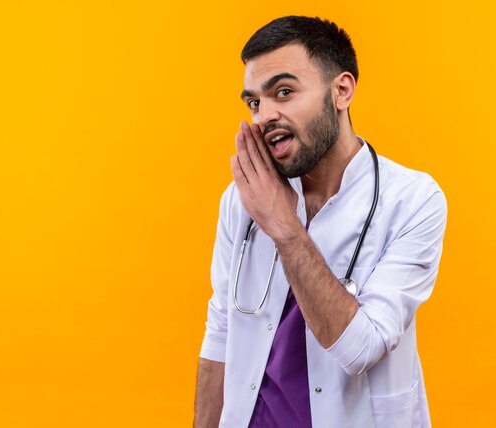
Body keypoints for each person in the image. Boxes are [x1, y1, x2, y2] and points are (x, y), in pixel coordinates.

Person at [194, 16, 447, 428]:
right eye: (255, 102)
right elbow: (221, 330)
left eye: (284, 92)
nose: (263, 117)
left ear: (341, 91)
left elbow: (361, 347)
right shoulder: (240, 199)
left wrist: (283, 226)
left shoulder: (413, 201)